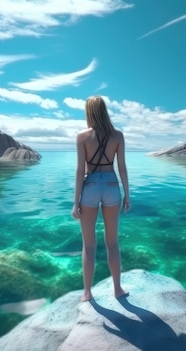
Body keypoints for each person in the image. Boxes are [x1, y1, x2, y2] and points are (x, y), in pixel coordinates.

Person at [72, 95, 131, 302]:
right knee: (112, 242)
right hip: (112, 185)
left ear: (89, 112)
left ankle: (87, 293)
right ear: (104, 110)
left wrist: (75, 201)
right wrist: (127, 194)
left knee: (89, 245)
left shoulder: (82, 136)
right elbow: (122, 167)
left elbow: (80, 170)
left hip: (90, 185)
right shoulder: (118, 136)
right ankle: (117, 289)